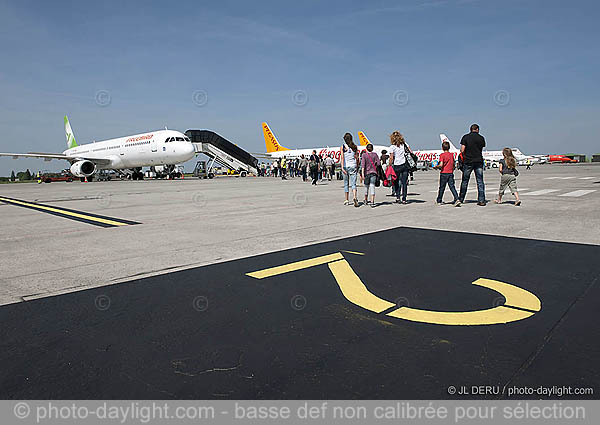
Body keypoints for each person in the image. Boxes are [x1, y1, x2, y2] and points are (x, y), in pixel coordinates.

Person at [458, 124, 486, 206]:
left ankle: (461, 198)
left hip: (468, 161)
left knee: (465, 181)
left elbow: (462, 150)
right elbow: (481, 148)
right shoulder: (481, 138)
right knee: (480, 181)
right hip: (478, 161)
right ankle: (481, 200)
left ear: (470, 129)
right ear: (477, 129)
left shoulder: (465, 137)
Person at [388, 131, 412, 204]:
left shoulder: (392, 147)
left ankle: (398, 197)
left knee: (396, 182)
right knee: (404, 182)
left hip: (397, 166)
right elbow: (410, 152)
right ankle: (404, 198)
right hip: (405, 165)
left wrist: (389, 165)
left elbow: (391, 158)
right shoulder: (405, 145)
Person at [434, 141, 460, 206]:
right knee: (452, 187)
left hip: (444, 173)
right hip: (450, 173)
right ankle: (457, 199)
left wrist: (436, 167)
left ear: (442, 148)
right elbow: (453, 164)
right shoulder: (451, 155)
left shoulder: (442, 155)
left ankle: (439, 200)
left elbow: (441, 164)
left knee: (442, 187)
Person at [341, 133, 359, 206]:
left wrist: (342, 167)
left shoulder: (342, 147)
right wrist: (357, 166)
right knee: (353, 184)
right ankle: (355, 197)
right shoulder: (354, 147)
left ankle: (346, 200)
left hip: (346, 166)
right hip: (353, 166)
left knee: (346, 184)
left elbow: (342, 158)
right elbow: (357, 158)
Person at [360, 143, 381, 208]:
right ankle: (372, 201)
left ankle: (366, 200)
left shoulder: (364, 155)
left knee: (366, 187)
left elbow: (363, 165)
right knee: (372, 186)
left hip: (367, 173)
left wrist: (362, 174)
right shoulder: (375, 155)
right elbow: (379, 163)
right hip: (374, 172)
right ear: (372, 148)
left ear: (366, 148)